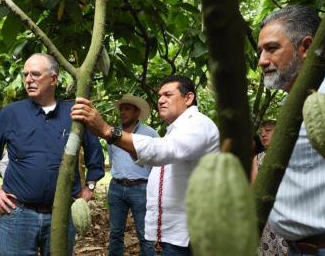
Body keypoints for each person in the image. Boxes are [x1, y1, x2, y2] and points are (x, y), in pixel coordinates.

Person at [71, 75, 220, 255]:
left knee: (144, 240)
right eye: (159, 96)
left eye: (168, 95)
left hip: (187, 237)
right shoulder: (177, 130)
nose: (161, 100)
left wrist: (107, 130)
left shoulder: (198, 124)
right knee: (117, 233)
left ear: (188, 98)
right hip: (173, 234)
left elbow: (162, 151)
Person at [0, 53, 105, 256]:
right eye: (25, 74)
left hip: (61, 214)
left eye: (35, 74)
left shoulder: (74, 113)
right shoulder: (11, 113)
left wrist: (89, 187)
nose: (28, 79)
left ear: (54, 78)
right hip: (18, 214)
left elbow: (95, 154)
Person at [257, 5, 325, 256]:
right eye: (260, 51)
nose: (262, 60)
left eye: (272, 48)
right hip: (297, 249)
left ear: (306, 47)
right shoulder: (292, 102)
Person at [107, 93, 159, 256]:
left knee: (145, 235)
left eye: (127, 109)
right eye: (121, 109)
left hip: (141, 189)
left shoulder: (150, 133)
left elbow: (158, 162)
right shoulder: (113, 133)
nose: (122, 112)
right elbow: (113, 157)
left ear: (137, 113)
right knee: (115, 233)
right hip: (116, 187)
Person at [251, 120, 289, 255]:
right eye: (261, 132)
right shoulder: (258, 158)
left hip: (287, 213)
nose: (263, 135)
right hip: (267, 216)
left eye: (268, 131)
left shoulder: (290, 153)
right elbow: (254, 187)